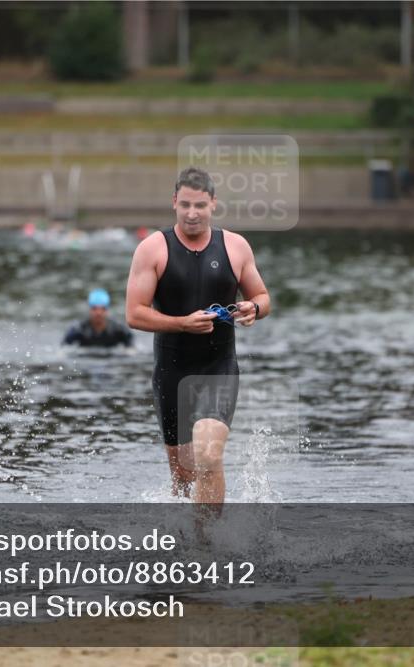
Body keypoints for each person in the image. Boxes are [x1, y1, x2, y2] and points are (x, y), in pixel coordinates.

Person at [125, 167, 270, 505]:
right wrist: (182, 323)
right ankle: (192, 539)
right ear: (174, 202)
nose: (192, 214)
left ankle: (209, 549)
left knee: (207, 453)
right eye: (186, 205)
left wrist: (254, 308)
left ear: (213, 204)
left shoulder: (235, 246)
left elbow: (263, 297)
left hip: (218, 367)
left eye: (200, 206)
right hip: (172, 371)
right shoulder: (153, 249)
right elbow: (134, 313)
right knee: (183, 478)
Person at [63, 289, 134, 348]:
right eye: (94, 308)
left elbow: (131, 347)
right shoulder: (79, 329)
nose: (98, 313)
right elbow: (64, 348)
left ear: (107, 310)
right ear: (90, 310)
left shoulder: (118, 330)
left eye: (102, 309)